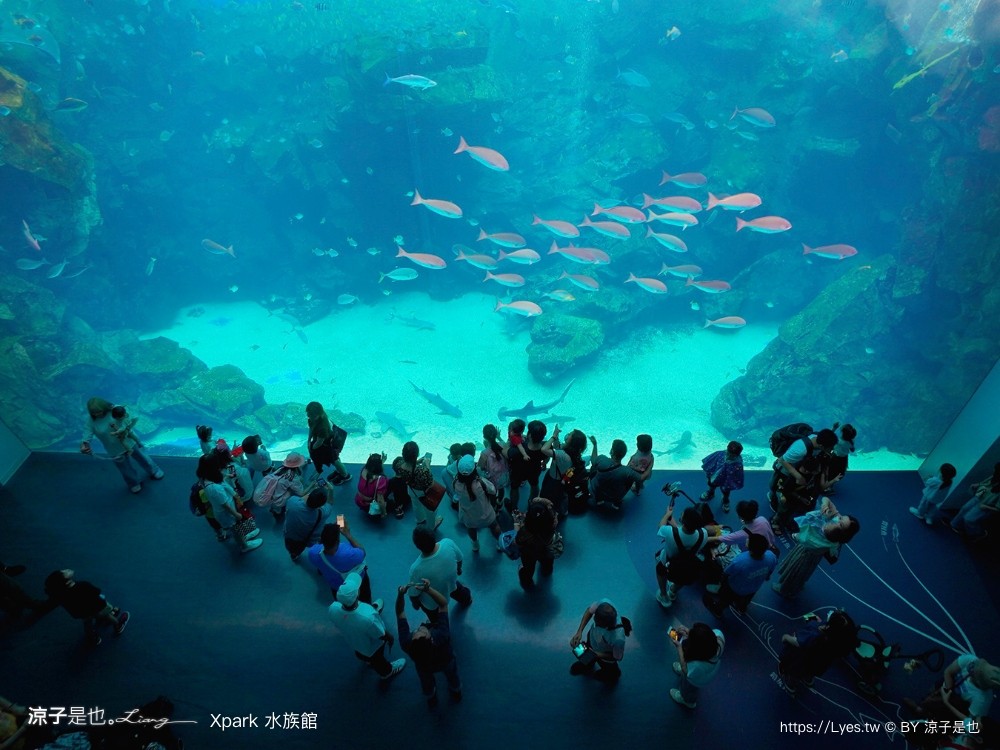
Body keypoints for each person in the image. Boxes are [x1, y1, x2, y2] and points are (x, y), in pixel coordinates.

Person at [772, 497, 860, 599]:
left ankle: (784, 589)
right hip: (811, 557)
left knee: (795, 572)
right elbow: (826, 499)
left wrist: (796, 535)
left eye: (840, 523)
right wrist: (825, 504)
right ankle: (798, 585)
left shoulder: (827, 540)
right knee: (802, 573)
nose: (837, 519)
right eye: (841, 517)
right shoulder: (837, 528)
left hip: (805, 555)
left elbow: (805, 540)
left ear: (842, 532)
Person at [396, 579, 463, 707]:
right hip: (446, 661)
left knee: (426, 681)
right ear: (431, 639)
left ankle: (431, 696)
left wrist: (400, 595)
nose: (420, 627)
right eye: (422, 631)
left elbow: (399, 613)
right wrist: (428, 589)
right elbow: (443, 604)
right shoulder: (441, 635)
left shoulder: (407, 643)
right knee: (452, 674)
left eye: (416, 631)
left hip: (424, 667)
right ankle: (456, 690)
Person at [328, 573, 405, 681]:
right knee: (377, 660)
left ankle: (367, 660)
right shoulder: (368, 617)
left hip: (354, 642)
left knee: (360, 653)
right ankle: (387, 672)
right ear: (358, 594)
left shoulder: (333, 608)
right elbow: (380, 634)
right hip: (373, 648)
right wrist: (389, 637)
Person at [80, 397, 164, 494]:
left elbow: (128, 417)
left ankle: (154, 470)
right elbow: (87, 433)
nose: (97, 414)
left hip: (128, 441)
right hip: (113, 448)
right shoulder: (91, 421)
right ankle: (133, 483)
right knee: (124, 468)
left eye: (99, 411)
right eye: (94, 412)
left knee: (142, 457)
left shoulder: (115, 409)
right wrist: (85, 444)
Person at [905, 654, 1000, 729]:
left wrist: (947, 702)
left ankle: (929, 718)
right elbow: (948, 672)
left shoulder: (982, 700)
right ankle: (924, 706)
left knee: (946, 722)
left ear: (980, 681)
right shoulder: (971, 660)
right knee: (933, 694)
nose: (972, 668)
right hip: (949, 687)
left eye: (975, 672)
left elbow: (971, 724)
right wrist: (946, 690)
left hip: (957, 707)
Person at [779, 610, 859, 695]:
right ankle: (808, 679)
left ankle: (791, 684)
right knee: (810, 672)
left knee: (795, 672)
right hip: (820, 664)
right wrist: (811, 617)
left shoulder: (816, 637)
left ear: (828, 627)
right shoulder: (839, 641)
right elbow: (822, 624)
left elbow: (798, 643)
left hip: (803, 660)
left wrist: (786, 637)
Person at [42, 569, 130, 646]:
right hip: (96, 607)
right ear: (67, 581)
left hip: (81, 612)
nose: (66, 570)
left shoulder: (60, 594)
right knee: (107, 615)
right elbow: (96, 591)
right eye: (64, 572)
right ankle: (118, 625)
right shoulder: (83, 585)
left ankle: (92, 638)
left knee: (87, 622)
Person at [703, 533, 776, 617]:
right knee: (745, 600)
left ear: (750, 547)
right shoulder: (771, 556)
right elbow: (770, 571)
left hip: (734, 588)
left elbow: (726, 573)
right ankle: (741, 608)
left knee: (725, 600)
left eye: (748, 540)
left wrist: (721, 584)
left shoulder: (741, 560)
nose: (747, 539)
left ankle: (717, 610)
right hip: (753, 588)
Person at [200, 455, 263, 552]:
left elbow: (220, 481)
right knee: (235, 529)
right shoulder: (214, 488)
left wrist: (226, 476)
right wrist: (235, 513)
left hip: (228, 508)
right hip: (226, 513)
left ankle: (244, 535)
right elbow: (224, 504)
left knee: (237, 526)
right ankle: (244, 546)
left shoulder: (206, 477)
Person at [655, 504, 710, 608]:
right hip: (689, 563)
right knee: (683, 576)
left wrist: (667, 514)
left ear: (683, 521)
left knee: (660, 571)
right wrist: (675, 525)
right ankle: (673, 591)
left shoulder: (669, 532)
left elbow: (660, 526)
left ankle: (663, 595)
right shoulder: (704, 534)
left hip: (668, 561)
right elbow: (684, 534)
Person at [407, 526, 472, 615]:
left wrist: (416, 604)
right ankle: (467, 600)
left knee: (433, 614)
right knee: (458, 590)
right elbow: (460, 558)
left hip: (433, 602)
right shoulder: (448, 543)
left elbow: (413, 594)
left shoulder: (416, 569)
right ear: (433, 536)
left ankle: (436, 623)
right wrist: (458, 569)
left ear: (417, 546)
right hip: (450, 582)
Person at [768, 428, 838, 505]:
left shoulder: (817, 438)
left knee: (790, 485)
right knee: (775, 485)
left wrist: (833, 429)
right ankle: (772, 497)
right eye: (831, 448)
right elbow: (782, 460)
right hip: (784, 466)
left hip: (797, 463)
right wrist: (798, 476)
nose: (832, 450)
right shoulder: (800, 449)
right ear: (821, 446)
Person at [569, 599, 632, 682]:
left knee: (609, 668)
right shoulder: (604, 604)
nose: (595, 621)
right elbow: (589, 610)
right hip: (592, 639)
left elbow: (617, 657)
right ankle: (587, 664)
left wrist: (596, 654)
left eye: (598, 623)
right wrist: (579, 631)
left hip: (605, 654)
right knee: (581, 651)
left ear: (606, 626)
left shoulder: (618, 639)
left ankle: (612, 673)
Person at [307, 522, 372, 602]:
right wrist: (348, 535)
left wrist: (328, 534)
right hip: (356, 581)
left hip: (335, 585)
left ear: (321, 539)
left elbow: (319, 546)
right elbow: (362, 552)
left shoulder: (312, 553)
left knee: (340, 601)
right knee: (365, 597)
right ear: (338, 541)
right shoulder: (350, 554)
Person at [452, 455, 502, 552]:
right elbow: (493, 491)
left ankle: (475, 545)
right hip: (486, 514)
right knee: (494, 526)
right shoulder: (481, 483)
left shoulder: (455, 483)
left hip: (468, 517)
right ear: (474, 470)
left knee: (471, 529)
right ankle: (500, 544)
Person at [670, 622, 725, 708]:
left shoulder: (697, 665)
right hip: (709, 669)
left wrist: (679, 648)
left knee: (688, 689)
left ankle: (688, 701)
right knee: (689, 670)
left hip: (696, 680)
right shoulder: (719, 635)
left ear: (696, 649)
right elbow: (704, 640)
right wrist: (690, 633)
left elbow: (685, 669)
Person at [589, 436, 649, 511]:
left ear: (612, 451)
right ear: (623, 455)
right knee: (630, 480)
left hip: (598, 491)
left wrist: (595, 445)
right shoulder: (627, 471)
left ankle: (599, 500)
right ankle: (616, 503)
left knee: (593, 468)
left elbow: (593, 460)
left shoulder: (602, 459)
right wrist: (651, 465)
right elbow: (641, 478)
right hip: (614, 496)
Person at [392, 441, 441, 530]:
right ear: (417, 454)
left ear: (403, 454)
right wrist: (427, 465)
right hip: (423, 493)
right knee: (429, 510)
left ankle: (420, 520)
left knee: (416, 505)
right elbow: (430, 482)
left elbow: (406, 467)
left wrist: (416, 462)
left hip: (411, 489)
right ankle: (431, 526)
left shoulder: (398, 464)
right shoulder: (422, 471)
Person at [541, 426, 588, 517]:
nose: (568, 434)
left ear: (572, 441)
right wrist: (557, 437)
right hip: (563, 480)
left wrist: (554, 436)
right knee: (559, 497)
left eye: (570, 434)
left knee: (550, 498)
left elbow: (544, 449)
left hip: (553, 480)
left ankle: (549, 515)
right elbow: (558, 447)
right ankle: (561, 512)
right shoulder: (575, 453)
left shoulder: (563, 455)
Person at [515, 497, 559, 589]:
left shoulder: (525, 531)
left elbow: (518, 542)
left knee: (528, 568)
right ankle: (546, 572)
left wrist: (517, 524)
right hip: (546, 549)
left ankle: (527, 582)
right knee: (547, 562)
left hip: (529, 553)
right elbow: (550, 505)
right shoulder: (552, 524)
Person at [950, 463, 1000, 539]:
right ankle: (955, 525)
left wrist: (985, 507)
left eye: (995, 470)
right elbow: (987, 482)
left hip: (987, 505)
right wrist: (979, 484)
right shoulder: (995, 476)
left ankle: (977, 534)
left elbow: (998, 509)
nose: (993, 471)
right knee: (964, 508)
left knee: (969, 519)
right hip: (980, 496)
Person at [306, 401, 351, 484]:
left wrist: (311, 449)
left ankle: (345, 475)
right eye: (308, 414)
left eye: (311, 415)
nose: (309, 417)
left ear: (318, 414)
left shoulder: (322, 427)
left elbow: (319, 442)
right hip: (324, 443)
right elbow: (311, 428)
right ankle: (339, 471)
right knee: (334, 458)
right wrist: (309, 440)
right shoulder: (313, 419)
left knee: (334, 460)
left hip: (328, 444)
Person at [509, 420, 548, 513]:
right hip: (534, 471)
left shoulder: (517, 450)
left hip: (518, 472)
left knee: (514, 488)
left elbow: (506, 453)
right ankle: (531, 505)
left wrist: (509, 440)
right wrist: (544, 463)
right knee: (534, 486)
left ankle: (514, 508)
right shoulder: (545, 447)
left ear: (529, 435)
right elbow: (546, 457)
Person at [284, 489, 333, 561]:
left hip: (288, 535)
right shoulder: (322, 513)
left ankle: (294, 555)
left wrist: (313, 493)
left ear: (309, 496)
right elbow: (330, 503)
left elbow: (301, 498)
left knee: (293, 549)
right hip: (306, 540)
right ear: (321, 505)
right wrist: (331, 490)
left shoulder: (292, 501)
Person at [700, 441, 745, 513]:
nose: (729, 456)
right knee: (711, 485)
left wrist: (735, 482)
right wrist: (708, 471)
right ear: (727, 449)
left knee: (726, 491)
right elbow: (711, 460)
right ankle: (711, 493)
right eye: (729, 453)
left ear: (737, 455)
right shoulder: (720, 454)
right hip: (715, 476)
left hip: (727, 481)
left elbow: (738, 474)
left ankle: (725, 500)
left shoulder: (738, 464)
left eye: (733, 455)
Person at [477, 424, 509, 510]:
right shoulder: (502, 444)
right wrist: (499, 437)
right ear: (496, 434)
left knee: (492, 493)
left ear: (484, 436)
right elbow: (507, 447)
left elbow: (480, 467)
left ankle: (494, 508)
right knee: (501, 490)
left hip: (491, 479)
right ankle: (500, 503)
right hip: (503, 476)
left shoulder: (484, 453)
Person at [355, 453, 389, 518]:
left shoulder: (364, 469)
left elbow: (373, 467)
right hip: (369, 505)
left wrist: (382, 461)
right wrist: (383, 512)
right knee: (391, 504)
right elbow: (380, 500)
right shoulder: (380, 480)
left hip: (359, 500)